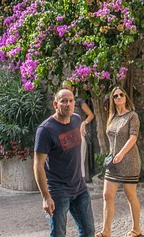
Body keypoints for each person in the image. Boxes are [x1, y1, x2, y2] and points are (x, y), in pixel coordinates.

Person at [34, 88, 94, 237]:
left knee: (89, 231)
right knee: (59, 234)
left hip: (79, 187)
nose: (68, 104)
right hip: (58, 191)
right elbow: (38, 165)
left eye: (71, 100)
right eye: (64, 101)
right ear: (56, 104)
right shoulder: (45, 130)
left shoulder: (76, 119)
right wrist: (46, 197)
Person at [98, 88, 141, 237]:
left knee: (130, 195)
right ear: (112, 100)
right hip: (113, 164)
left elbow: (133, 137)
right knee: (107, 195)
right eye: (115, 96)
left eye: (121, 95)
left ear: (125, 97)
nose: (119, 97)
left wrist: (121, 154)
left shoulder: (132, 116)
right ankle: (106, 231)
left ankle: (136, 229)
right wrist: (112, 155)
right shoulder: (112, 117)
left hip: (129, 161)